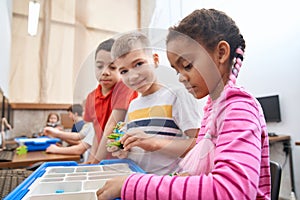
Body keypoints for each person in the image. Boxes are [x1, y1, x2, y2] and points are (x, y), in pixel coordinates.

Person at [96, 9, 271, 199]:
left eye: (187, 65)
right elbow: (202, 171)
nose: (180, 77)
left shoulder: (239, 108)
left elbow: (231, 191)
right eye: (176, 69)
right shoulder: (213, 110)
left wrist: (134, 185)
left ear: (221, 53)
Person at [106, 31, 201, 175]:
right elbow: (135, 147)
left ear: (155, 60)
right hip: (137, 181)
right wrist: (122, 148)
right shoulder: (133, 106)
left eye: (139, 64)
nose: (133, 76)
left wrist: (155, 142)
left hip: (166, 186)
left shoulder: (176, 96)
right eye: (124, 71)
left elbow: (200, 144)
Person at [84, 38, 138, 163]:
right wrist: (92, 160)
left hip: (122, 160)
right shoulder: (91, 97)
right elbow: (97, 134)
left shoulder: (124, 87)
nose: (105, 72)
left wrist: (97, 161)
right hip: (101, 159)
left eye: (113, 67)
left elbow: (112, 125)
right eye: (99, 66)